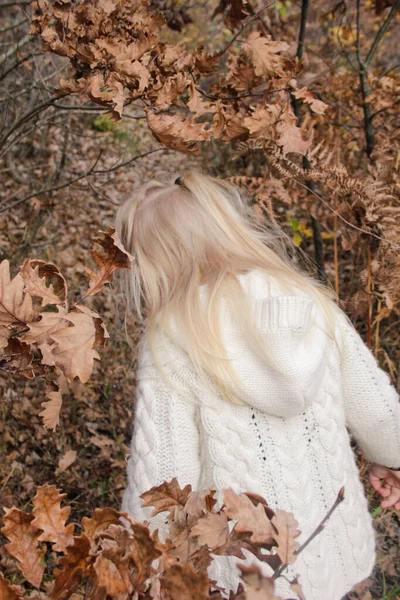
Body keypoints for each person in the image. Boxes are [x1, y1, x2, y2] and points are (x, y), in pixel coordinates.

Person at [114, 170, 400, 600]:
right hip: (332, 545)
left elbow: (164, 477)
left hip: (242, 571)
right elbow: (376, 406)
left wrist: (136, 564)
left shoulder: (172, 335)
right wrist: (390, 457)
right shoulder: (308, 300)